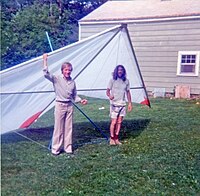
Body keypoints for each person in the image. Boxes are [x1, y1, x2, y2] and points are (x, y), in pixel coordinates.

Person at [43, 53, 88, 155]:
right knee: (58, 128)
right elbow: (46, 74)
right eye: (66, 70)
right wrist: (45, 60)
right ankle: (56, 149)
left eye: (69, 70)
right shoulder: (56, 78)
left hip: (69, 106)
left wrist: (81, 100)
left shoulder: (72, 82)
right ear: (62, 70)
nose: (68, 72)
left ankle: (68, 148)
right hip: (60, 105)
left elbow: (74, 95)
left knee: (68, 128)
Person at [106, 65, 133, 145]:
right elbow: (107, 91)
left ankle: (116, 138)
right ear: (116, 71)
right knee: (113, 122)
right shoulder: (112, 80)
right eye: (118, 70)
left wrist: (130, 103)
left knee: (119, 122)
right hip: (114, 104)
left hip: (122, 104)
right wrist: (110, 96)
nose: (120, 71)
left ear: (123, 71)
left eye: (121, 70)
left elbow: (128, 92)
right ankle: (112, 138)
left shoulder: (126, 81)